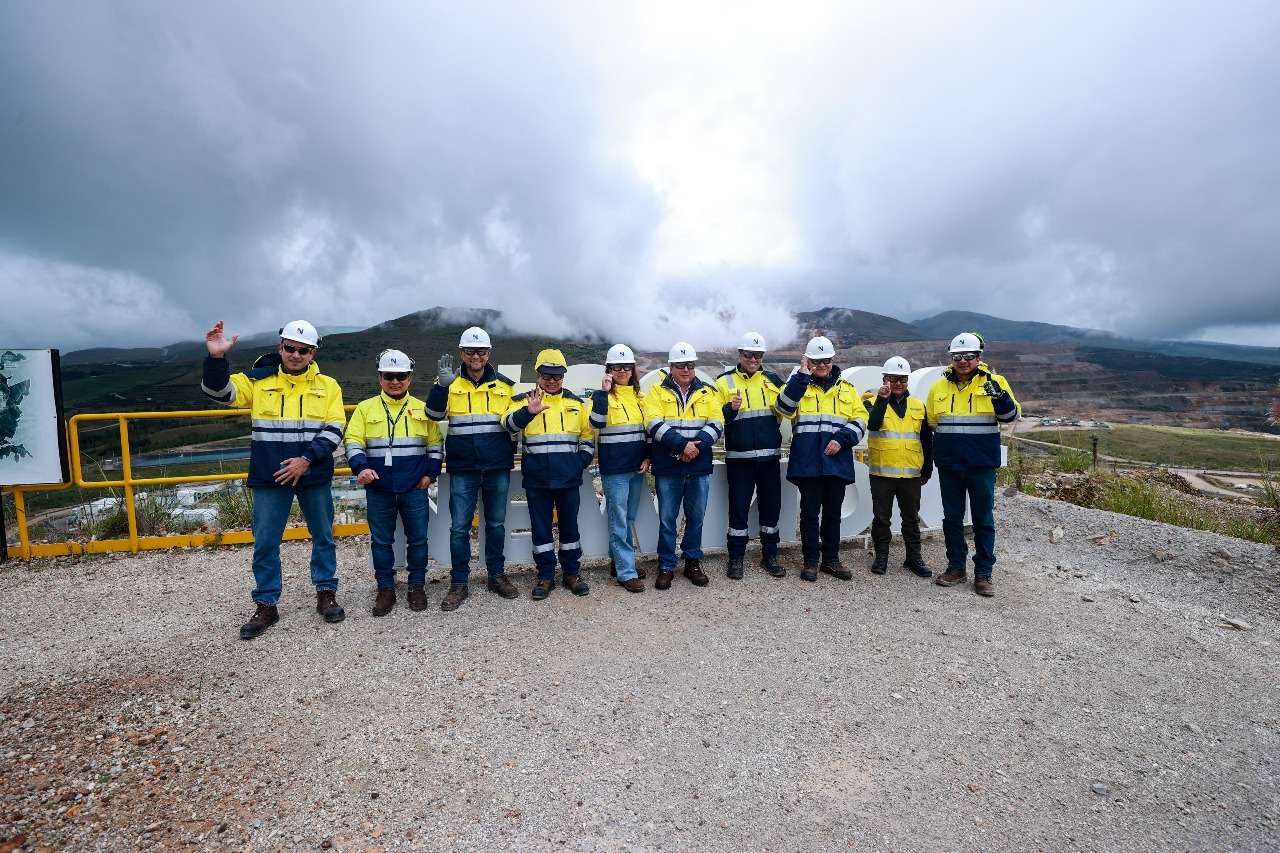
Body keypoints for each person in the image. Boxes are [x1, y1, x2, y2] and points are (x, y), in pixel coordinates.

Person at [201, 319, 347, 639]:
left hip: (313, 472)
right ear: (280, 347)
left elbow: (335, 428)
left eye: (303, 350)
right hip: (271, 476)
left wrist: (306, 459)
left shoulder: (328, 386)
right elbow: (219, 391)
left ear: (313, 353)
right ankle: (266, 603)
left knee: (322, 535)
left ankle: (326, 592)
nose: (295, 355)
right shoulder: (257, 381)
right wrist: (215, 358)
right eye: (290, 348)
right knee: (266, 541)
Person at [425, 326, 518, 611]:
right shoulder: (448, 383)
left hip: (496, 466)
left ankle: (496, 576)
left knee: (497, 525)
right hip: (463, 467)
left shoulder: (505, 385)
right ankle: (459, 583)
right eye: (470, 351)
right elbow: (433, 415)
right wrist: (440, 387)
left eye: (481, 351)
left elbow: (513, 424)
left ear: (489, 353)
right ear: (461, 353)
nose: (475, 356)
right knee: (459, 528)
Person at [344, 349, 443, 615]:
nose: (395, 381)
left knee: (418, 540)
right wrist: (360, 468)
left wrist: (430, 474)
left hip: (415, 487)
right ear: (380, 377)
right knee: (381, 541)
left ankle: (416, 586)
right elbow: (353, 442)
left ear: (410, 378)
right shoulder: (365, 410)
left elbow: (435, 445)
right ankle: (385, 589)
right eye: (389, 376)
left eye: (401, 376)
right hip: (379, 488)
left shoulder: (423, 410)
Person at [925, 332, 1020, 597]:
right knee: (952, 518)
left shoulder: (995, 382)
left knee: (983, 519)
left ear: (979, 357)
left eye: (969, 356)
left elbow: (1010, 417)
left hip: (981, 465)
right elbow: (933, 423)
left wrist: (999, 397)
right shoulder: (939, 387)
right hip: (950, 465)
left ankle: (983, 573)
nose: (963, 361)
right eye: (958, 356)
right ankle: (956, 567)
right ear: (951, 358)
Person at [502, 349, 596, 600]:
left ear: (563, 376)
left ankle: (571, 574)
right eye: (546, 375)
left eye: (557, 375)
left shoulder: (577, 404)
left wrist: (580, 463)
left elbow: (587, 438)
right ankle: (545, 576)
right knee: (541, 530)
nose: (552, 380)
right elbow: (507, 426)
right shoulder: (522, 400)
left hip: (569, 478)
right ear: (538, 375)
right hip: (537, 480)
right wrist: (528, 412)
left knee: (569, 529)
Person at [775, 336, 868, 582]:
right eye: (816, 361)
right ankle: (811, 561)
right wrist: (801, 376)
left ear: (832, 360)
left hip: (836, 462)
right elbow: (783, 409)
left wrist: (843, 439)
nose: (822, 365)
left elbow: (860, 421)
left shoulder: (846, 389)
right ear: (807, 361)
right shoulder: (798, 385)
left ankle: (831, 560)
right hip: (808, 463)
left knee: (833, 514)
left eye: (826, 360)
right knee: (809, 514)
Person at [641, 342, 724, 590]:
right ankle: (666, 565)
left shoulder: (708, 393)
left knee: (696, 518)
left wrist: (696, 446)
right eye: (680, 365)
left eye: (689, 365)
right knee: (668, 519)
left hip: (698, 467)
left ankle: (692, 563)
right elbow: (653, 423)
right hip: (669, 468)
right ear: (671, 367)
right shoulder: (656, 392)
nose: (686, 369)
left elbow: (717, 422)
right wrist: (682, 446)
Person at [714, 332, 786, 579]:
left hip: (769, 459)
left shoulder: (774, 380)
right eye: (748, 354)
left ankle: (770, 555)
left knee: (770, 509)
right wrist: (728, 410)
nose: (753, 358)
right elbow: (713, 418)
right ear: (739, 355)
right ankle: (736, 558)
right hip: (739, 460)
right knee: (738, 509)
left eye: (758, 355)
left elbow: (787, 409)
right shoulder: (723, 382)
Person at [865, 356, 933, 579]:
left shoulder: (917, 405)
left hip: (911, 473)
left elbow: (925, 439)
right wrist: (882, 400)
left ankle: (913, 558)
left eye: (902, 379)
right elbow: (873, 424)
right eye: (893, 379)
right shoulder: (872, 401)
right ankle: (882, 557)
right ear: (884, 378)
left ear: (907, 380)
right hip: (882, 472)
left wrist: (927, 468)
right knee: (882, 519)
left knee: (911, 519)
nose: (898, 383)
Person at [590, 344, 651, 593]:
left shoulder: (639, 397)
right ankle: (626, 572)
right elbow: (596, 423)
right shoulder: (600, 396)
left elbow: (647, 431)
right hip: (614, 469)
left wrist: (648, 457)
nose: (623, 371)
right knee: (619, 520)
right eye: (617, 367)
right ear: (609, 370)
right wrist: (604, 393)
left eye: (627, 367)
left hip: (637, 466)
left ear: (633, 369)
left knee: (628, 518)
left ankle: (619, 561)